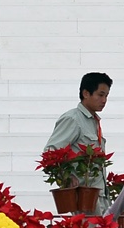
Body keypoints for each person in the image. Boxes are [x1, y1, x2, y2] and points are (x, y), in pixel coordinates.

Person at [45, 73, 111, 212]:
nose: (104, 100)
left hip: (99, 196)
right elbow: (50, 153)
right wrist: (67, 177)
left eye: (106, 96)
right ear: (86, 93)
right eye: (100, 95)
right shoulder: (73, 119)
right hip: (83, 197)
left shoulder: (93, 121)